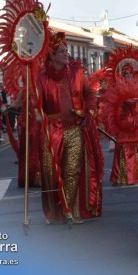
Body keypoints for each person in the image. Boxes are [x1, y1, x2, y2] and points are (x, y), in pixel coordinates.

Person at [37, 32, 104, 224]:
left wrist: (88, 112)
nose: (66, 54)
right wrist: (36, 114)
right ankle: (52, 212)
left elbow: (90, 94)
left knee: (72, 170)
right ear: (51, 55)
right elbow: (36, 104)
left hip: (75, 127)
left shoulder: (78, 73)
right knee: (50, 172)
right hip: (51, 131)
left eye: (67, 50)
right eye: (62, 51)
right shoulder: (41, 78)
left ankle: (70, 210)